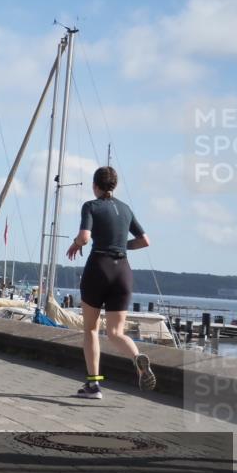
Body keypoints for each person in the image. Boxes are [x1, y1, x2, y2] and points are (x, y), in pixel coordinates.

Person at [66, 166, 155, 400]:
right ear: (114, 186)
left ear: (95, 185)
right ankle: (137, 358)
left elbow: (85, 237)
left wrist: (76, 243)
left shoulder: (91, 206)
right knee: (116, 332)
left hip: (99, 268)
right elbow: (145, 241)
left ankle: (94, 386)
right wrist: (121, 245)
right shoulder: (126, 209)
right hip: (122, 271)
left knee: (92, 329)